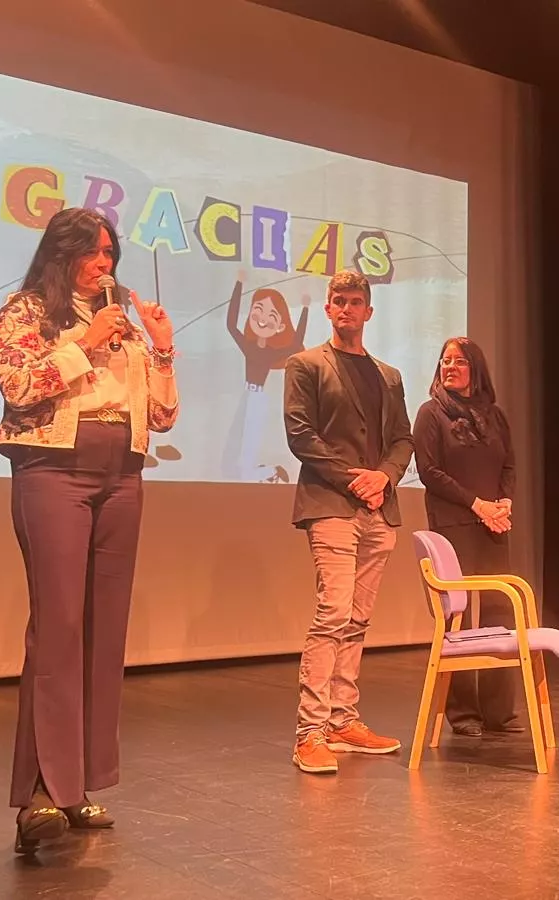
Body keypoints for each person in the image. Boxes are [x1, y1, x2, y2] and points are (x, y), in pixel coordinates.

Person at [0, 206, 179, 853]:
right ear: (63, 253)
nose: (106, 266)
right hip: (54, 472)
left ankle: (79, 786)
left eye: (111, 256)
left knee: (103, 634)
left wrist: (163, 349)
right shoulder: (27, 311)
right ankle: (39, 795)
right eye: (95, 254)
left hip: (121, 476)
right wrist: (85, 342)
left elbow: (162, 413)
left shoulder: (122, 321)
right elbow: (18, 386)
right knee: (59, 630)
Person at [282, 269, 414, 774]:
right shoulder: (306, 364)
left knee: (358, 620)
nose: (346, 309)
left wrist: (382, 478)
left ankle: (342, 720)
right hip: (331, 505)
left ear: (369, 311)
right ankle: (310, 731)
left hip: (380, 509)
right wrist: (352, 479)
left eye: (355, 301)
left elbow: (403, 439)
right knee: (332, 614)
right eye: (339, 300)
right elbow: (300, 434)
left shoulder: (389, 375)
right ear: (328, 307)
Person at [411, 337, 523, 736]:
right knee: (456, 619)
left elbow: (508, 464)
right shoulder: (431, 414)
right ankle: (464, 713)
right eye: (444, 361)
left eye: (459, 361)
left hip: (493, 525)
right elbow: (429, 472)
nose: (450, 367)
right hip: (453, 525)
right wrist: (477, 504)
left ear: (476, 370)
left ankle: (498, 711)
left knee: (497, 613)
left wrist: (503, 503)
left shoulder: (494, 415)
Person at [222, 270, 309, 483]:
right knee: (238, 455)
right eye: (257, 310)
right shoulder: (249, 346)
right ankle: (266, 473)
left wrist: (305, 309)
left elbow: (296, 342)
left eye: (271, 316)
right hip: (247, 397)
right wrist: (239, 284)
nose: (262, 319)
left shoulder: (271, 353)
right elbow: (231, 323)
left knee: (245, 459)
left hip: (257, 400)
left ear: (280, 326)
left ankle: (271, 472)